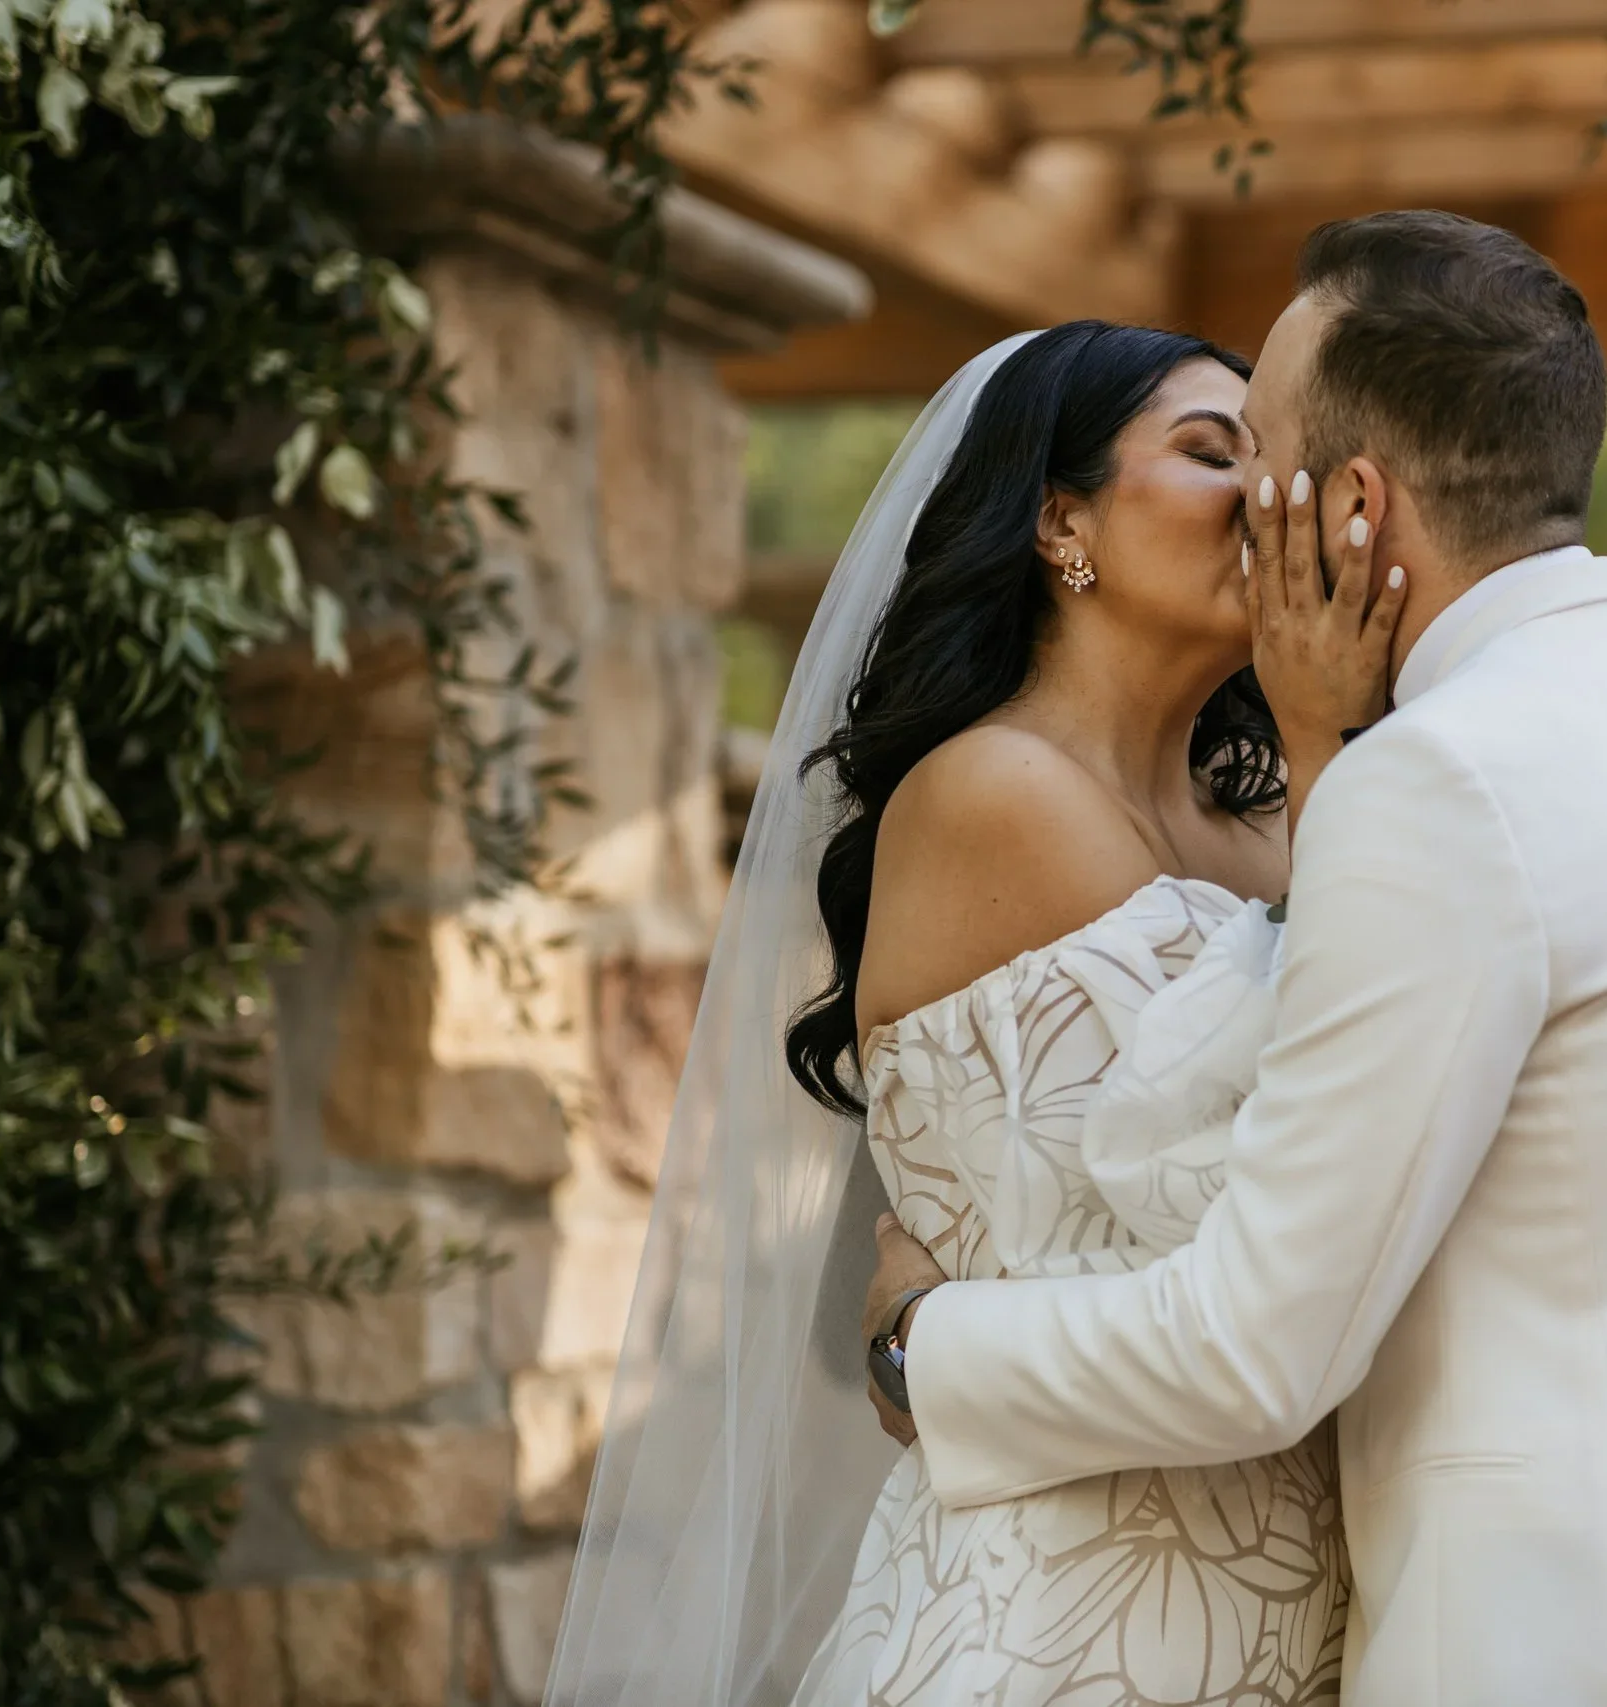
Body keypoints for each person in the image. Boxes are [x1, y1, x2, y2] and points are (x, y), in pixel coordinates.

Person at [862, 211, 1607, 1705]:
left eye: (1264, 448)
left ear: (1356, 503)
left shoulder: (1442, 785)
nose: (1251, 497)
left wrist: (920, 1349)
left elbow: (1255, 1341)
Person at [539, 320, 1399, 1707]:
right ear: (1062, 521)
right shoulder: (992, 796)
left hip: (1284, 1616)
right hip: (1067, 1627)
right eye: (1208, 452)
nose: (1266, 495)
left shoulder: (1270, 831)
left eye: (1279, 459)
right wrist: (1323, 742)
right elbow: (1267, 1187)